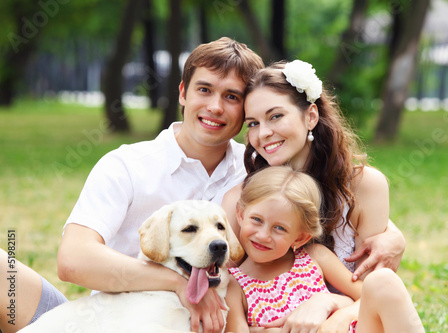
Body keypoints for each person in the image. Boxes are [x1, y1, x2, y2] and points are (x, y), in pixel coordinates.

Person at [0, 37, 264, 333]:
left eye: (232, 97)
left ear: (247, 107)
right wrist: (181, 284)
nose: (215, 106)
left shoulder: (256, 175)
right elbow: (73, 259)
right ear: (182, 93)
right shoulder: (127, 164)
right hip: (103, 322)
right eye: (204, 90)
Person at [221, 59, 405, 329]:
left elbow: (373, 291)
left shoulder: (365, 185)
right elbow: (224, 288)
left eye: (275, 116)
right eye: (253, 123)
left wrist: (327, 305)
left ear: (311, 116)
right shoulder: (243, 199)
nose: (264, 133)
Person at [224, 166, 424, 333]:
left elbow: (365, 297)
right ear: (240, 214)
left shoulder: (314, 256)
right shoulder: (234, 284)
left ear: (301, 237)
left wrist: (332, 304)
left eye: (280, 228)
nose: (263, 235)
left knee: (383, 281)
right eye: (257, 220)